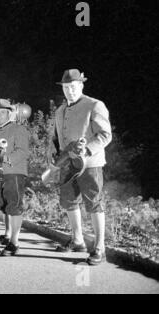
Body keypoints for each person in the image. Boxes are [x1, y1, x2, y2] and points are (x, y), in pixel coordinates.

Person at [52, 69, 112, 265]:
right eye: (66, 88)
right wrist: (55, 154)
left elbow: (105, 135)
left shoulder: (95, 105)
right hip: (67, 165)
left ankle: (99, 248)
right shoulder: (60, 111)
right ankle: (77, 240)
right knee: (69, 201)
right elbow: (56, 137)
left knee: (93, 203)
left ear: (81, 85)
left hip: (90, 164)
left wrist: (86, 151)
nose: (70, 91)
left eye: (73, 87)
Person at [0, 99, 31, 256]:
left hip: (14, 172)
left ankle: (14, 243)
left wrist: (4, 159)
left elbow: (23, 151)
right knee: (5, 206)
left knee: (14, 206)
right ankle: (7, 236)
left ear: (9, 113)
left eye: (2, 112)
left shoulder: (18, 129)